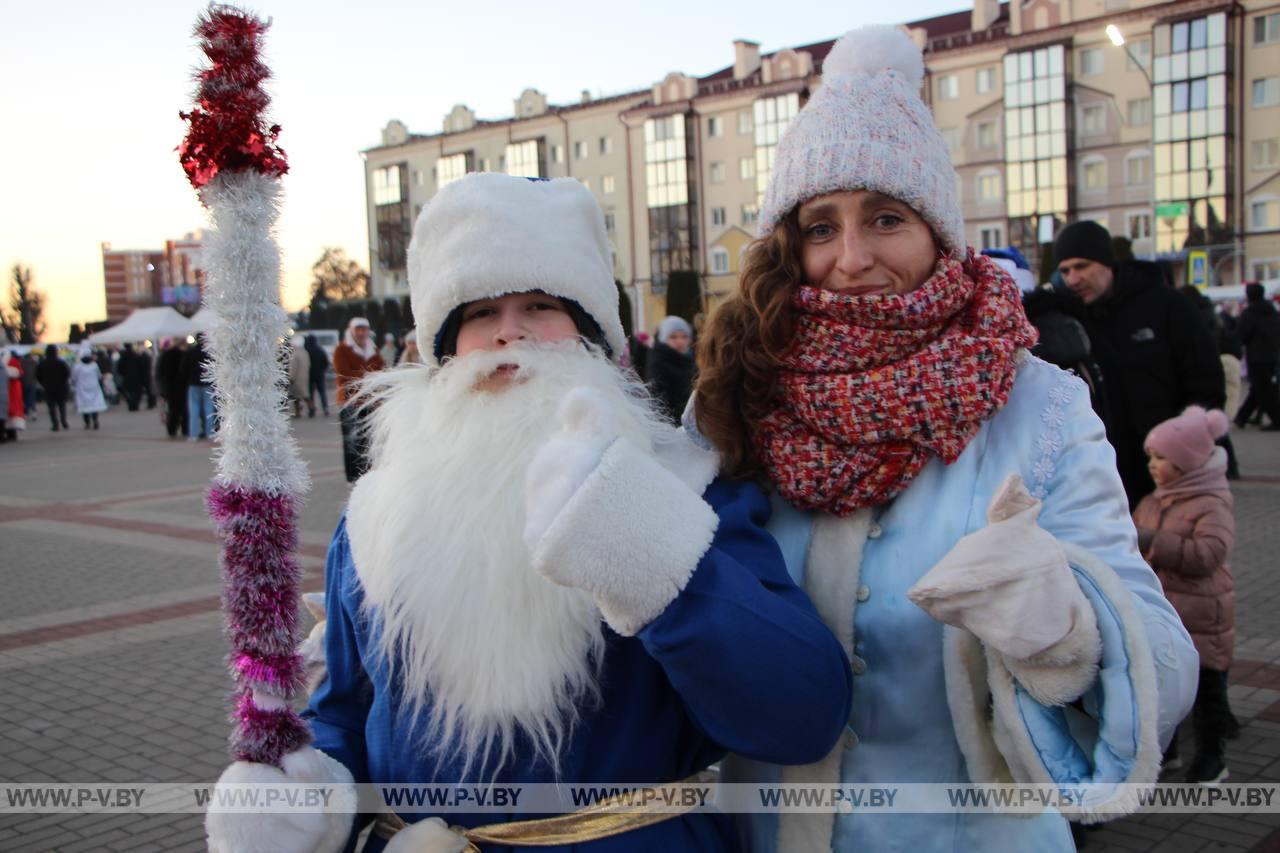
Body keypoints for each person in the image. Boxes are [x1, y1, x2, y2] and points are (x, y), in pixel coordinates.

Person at [205, 173, 852, 853]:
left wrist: (653, 557)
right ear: (447, 346)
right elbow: (346, 710)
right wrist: (311, 792)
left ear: (590, 333)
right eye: (480, 312)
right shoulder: (376, 515)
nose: (510, 332)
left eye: (540, 305)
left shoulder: (685, 483)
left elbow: (802, 714)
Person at [693, 26, 1198, 852]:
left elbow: (1161, 668)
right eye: (820, 225)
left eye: (885, 217)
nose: (851, 258)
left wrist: (1068, 626)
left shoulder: (1038, 404)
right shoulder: (738, 395)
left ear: (938, 231)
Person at [1054, 220, 1225, 507]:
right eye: (1065, 270)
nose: (1073, 279)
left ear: (1107, 262)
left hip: (1168, 474)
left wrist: (1184, 449)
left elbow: (1206, 381)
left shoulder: (1167, 306)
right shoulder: (1070, 321)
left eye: (1082, 266)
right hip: (1103, 476)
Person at [1133, 406, 1236, 784]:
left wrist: (1153, 542)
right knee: (1165, 689)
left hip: (1203, 618)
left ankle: (1212, 756)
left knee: (1207, 694)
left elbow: (1209, 554)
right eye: (1151, 458)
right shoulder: (1154, 500)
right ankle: (1168, 750)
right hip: (1167, 616)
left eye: (1162, 458)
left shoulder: (1212, 503)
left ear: (1188, 463)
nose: (1153, 465)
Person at [332, 317, 385, 482]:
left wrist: (369, 378)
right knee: (352, 441)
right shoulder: (342, 350)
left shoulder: (373, 350)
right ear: (351, 331)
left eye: (364, 330)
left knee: (368, 440)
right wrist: (369, 376)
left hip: (370, 402)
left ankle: (368, 474)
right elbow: (344, 375)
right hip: (350, 402)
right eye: (358, 330)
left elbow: (382, 371)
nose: (362, 333)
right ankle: (353, 476)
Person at [1235, 283, 1280, 430]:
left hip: (1256, 356)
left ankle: (1276, 419)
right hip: (1273, 354)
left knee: (1263, 389)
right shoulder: (1272, 311)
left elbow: (1242, 334)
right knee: (1260, 388)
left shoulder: (1249, 313)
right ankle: (1242, 417)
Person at [646, 315, 695, 424]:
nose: (680, 341)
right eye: (673, 337)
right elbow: (658, 404)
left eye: (684, 336)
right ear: (664, 338)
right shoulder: (658, 364)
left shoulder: (690, 359)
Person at [183, 333, 216, 440]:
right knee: (209, 408)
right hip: (207, 383)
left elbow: (183, 368)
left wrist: (189, 377)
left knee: (193, 409)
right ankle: (210, 432)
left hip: (193, 383)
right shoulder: (209, 353)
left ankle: (194, 434)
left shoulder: (190, 352)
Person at [155, 337, 189, 439]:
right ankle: (185, 429)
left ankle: (172, 429)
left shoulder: (165, 355)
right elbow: (185, 370)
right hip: (182, 386)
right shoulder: (183, 354)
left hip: (170, 387)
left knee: (173, 410)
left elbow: (160, 372)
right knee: (184, 410)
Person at [70, 343, 107, 430]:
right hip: (93, 388)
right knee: (94, 406)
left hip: (82, 388)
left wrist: (73, 384)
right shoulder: (94, 366)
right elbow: (99, 376)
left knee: (85, 407)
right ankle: (95, 420)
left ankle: (87, 423)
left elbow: (73, 378)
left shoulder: (78, 367)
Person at [35, 344, 71, 431]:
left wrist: (43, 383)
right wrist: (63, 382)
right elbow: (67, 373)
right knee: (62, 406)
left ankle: (55, 423)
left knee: (51, 407)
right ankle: (63, 421)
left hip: (48, 388)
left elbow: (37, 375)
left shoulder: (42, 363)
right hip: (61, 388)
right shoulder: (61, 362)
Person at [304, 334, 330, 417]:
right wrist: (323, 370)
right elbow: (326, 362)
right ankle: (325, 408)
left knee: (311, 393)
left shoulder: (306, 351)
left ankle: (312, 409)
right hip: (320, 374)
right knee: (322, 392)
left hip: (309, 375)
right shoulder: (320, 350)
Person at [287, 335, 314, 418]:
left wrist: (291, 377)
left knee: (296, 397)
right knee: (305, 395)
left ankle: (301, 411)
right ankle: (310, 407)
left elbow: (293, 368)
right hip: (304, 377)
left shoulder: (295, 355)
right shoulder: (305, 353)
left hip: (296, 379)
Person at [3, 348, 25, 440]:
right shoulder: (14, 361)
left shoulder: (11, 362)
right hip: (12, 389)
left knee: (10, 410)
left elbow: (18, 373)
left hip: (11, 389)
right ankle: (11, 432)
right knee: (10, 410)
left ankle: (10, 432)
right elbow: (19, 373)